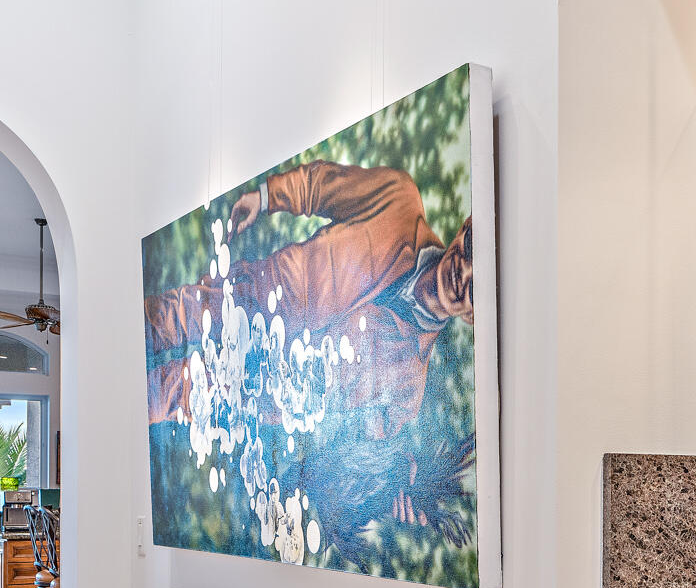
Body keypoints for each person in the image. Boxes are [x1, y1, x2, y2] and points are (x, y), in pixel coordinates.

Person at [144, 159, 475, 546]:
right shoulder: (399, 201)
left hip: (257, 393)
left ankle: (108, 406)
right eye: (471, 250)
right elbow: (321, 185)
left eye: (477, 287)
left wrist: (394, 489)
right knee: (166, 318)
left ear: (473, 317)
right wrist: (266, 197)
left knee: (170, 398)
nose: (463, 271)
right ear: (464, 229)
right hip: (251, 297)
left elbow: (344, 459)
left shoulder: (407, 392)